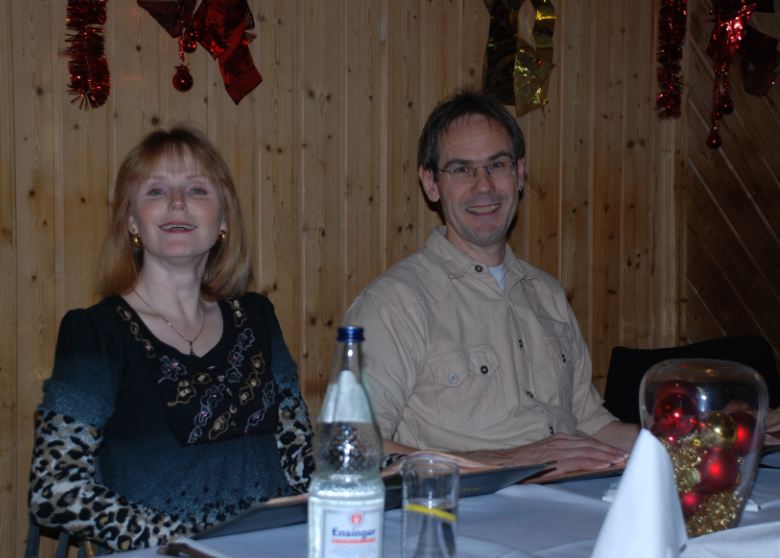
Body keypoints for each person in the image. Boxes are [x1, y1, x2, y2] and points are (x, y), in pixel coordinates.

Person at [28, 127, 313, 551]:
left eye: (197, 189)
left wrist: (396, 467)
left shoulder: (258, 317)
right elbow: (54, 490)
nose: (177, 202)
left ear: (223, 220)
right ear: (131, 221)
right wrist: (187, 542)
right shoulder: (97, 333)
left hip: (277, 546)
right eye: (156, 190)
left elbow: (299, 457)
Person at [344, 90, 638, 475]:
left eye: (497, 165)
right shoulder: (394, 304)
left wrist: (677, 438)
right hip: (466, 506)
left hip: (575, 496)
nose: (483, 186)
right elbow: (354, 447)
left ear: (519, 173)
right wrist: (512, 462)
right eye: (462, 169)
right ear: (431, 183)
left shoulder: (546, 293)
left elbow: (591, 422)